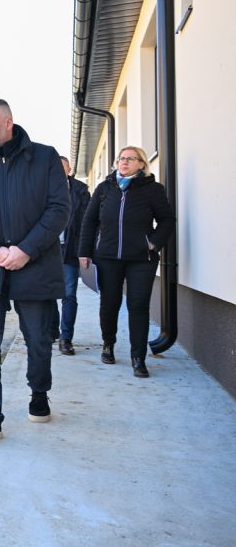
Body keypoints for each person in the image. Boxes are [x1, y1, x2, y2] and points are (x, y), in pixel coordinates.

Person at [0, 98, 70, 446]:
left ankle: (39, 392)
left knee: (38, 338)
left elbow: (59, 209)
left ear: (8, 123)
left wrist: (25, 250)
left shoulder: (44, 157)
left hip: (35, 264)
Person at [78, 146, 175, 378]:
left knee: (138, 306)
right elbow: (89, 221)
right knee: (109, 303)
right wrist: (84, 252)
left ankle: (138, 358)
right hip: (108, 257)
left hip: (142, 259)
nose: (124, 162)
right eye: (121, 158)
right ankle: (108, 344)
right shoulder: (105, 188)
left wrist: (152, 243)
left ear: (141, 163)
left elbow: (167, 220)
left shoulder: (153, 189)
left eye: (130, 158)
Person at [54, 156, 91, 355]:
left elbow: (88, 222)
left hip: (69, 249)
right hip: (46, 250)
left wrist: (84, 250)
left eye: (63, 168)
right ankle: (51, 330)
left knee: (69, 294)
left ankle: (66, 338)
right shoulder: (41, 188)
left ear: (69, 170)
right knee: (46, 293)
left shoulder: (80, 190)